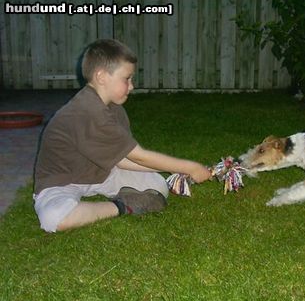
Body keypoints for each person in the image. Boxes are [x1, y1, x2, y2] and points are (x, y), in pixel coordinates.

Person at [33, 39, 211, 233]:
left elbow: (122, 159)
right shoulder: (86, 111)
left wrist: (172, 171)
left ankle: (126, 198)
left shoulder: (113, 108)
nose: (131, 86)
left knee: (157, 184)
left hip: (101, 174)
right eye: (127, 79)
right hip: (62, 182)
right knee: (54, 219)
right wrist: (189, 167)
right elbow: (138, 155)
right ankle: (121, 206)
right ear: (101, 76)